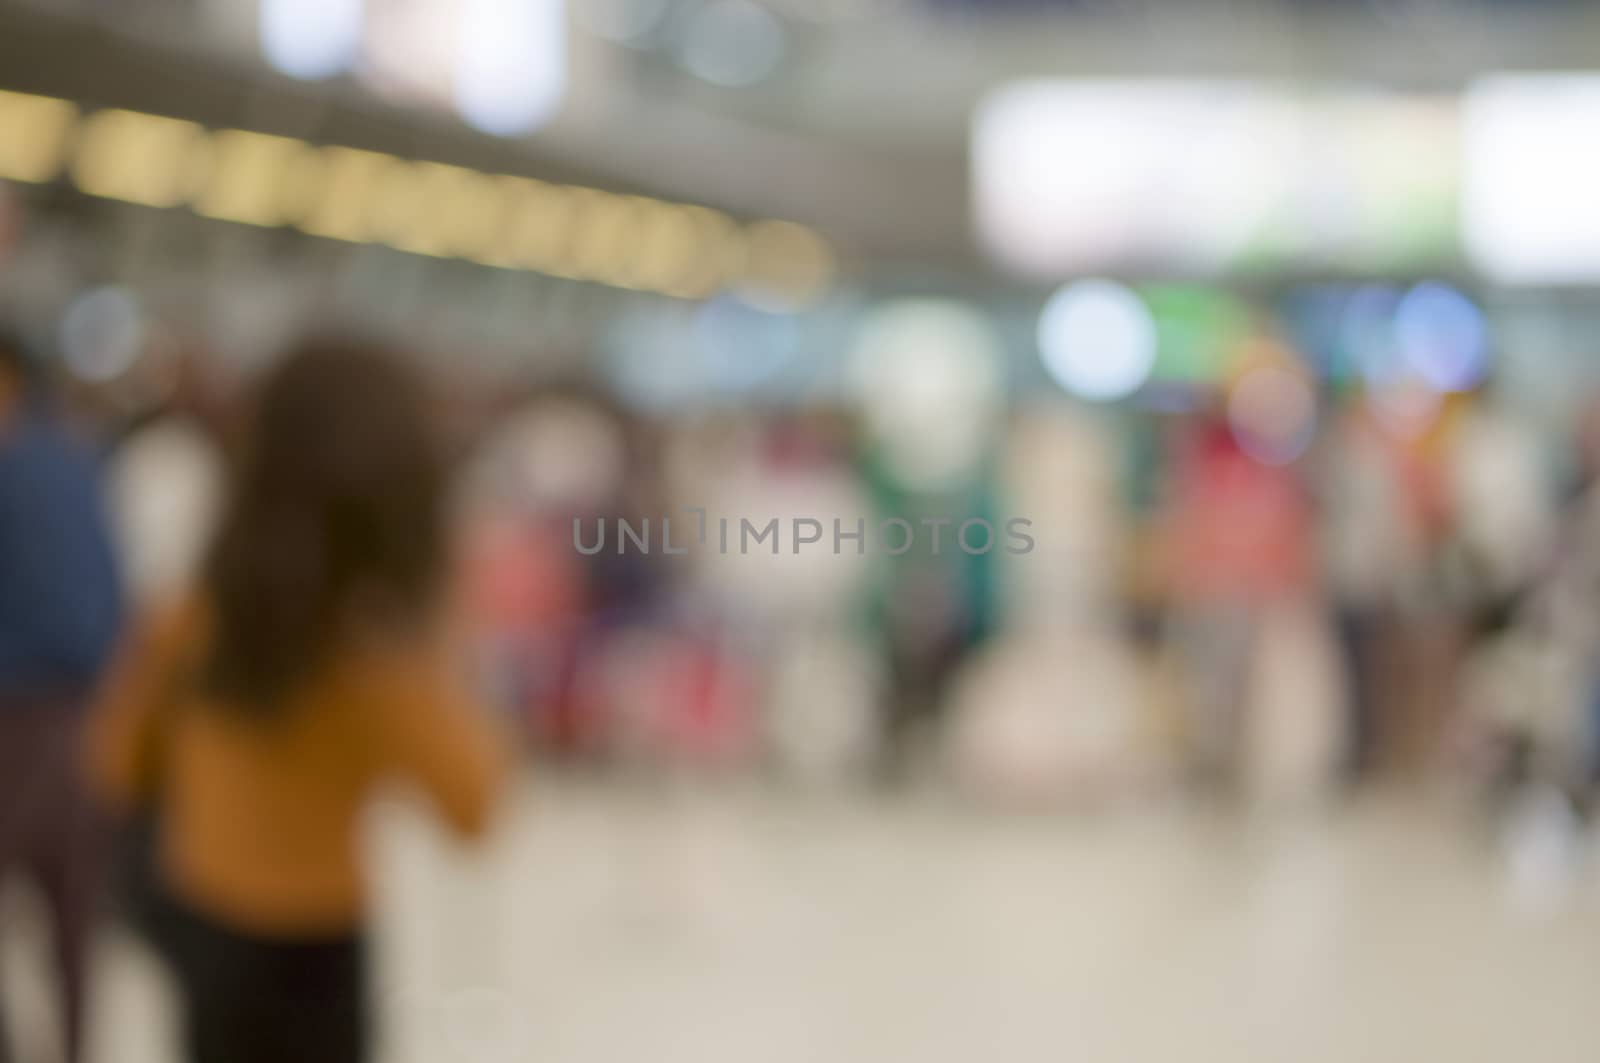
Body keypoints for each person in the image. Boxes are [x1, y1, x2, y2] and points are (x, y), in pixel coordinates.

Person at [85, 339, 506, 1063]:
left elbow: (115, 762)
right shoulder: (377, 657)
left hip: (202, 915)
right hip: (320, 938)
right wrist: (436, 630)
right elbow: (475, 807)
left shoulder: (190, 618)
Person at [0, 328, 124, 1063]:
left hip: (19, 721)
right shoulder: (76, 460)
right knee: (74, 924)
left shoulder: (15, 468)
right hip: (90, 722)